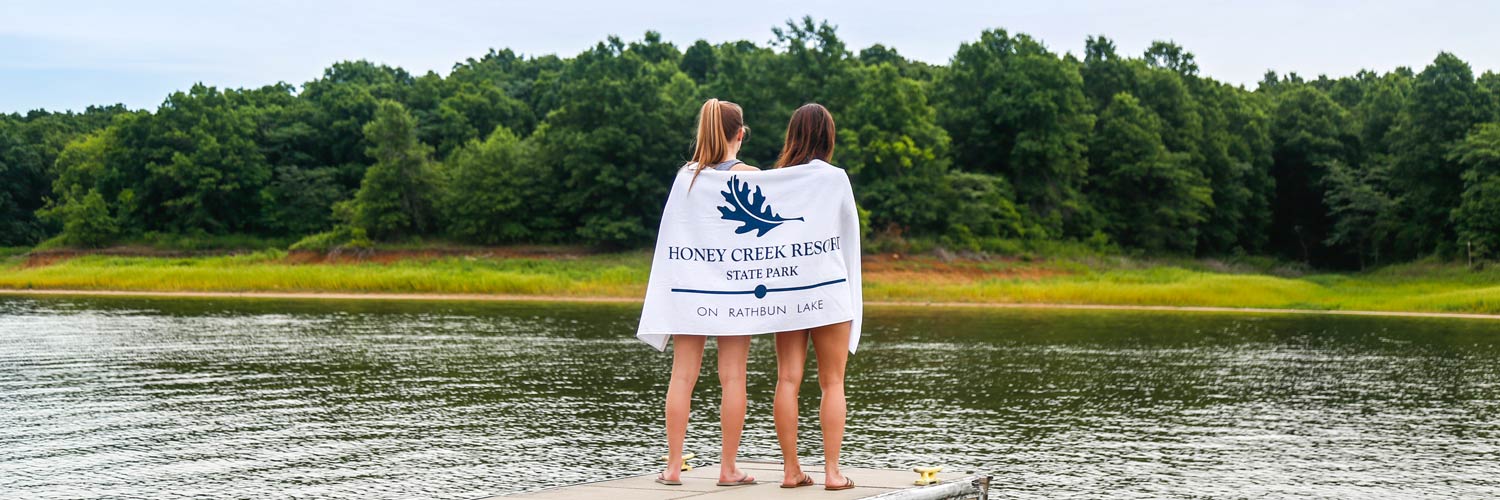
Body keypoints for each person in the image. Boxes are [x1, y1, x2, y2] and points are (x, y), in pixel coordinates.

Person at [656, 98, 759, 487]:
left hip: (690, 289)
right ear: (740, 134)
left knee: (682, 376)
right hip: (733, 292)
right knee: (733, 377)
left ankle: (672, 467)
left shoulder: (686, 176)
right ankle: (728, 468)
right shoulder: (751, 175)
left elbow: (673, 237)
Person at [769, 103, 857, 491]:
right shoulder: (836, 178)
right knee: (832, 382)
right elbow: (848, 237)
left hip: (787, 289)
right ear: (829, 136)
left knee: (788, 379)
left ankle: (791, 471)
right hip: (828, 288)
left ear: (793, 135)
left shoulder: (775, 180)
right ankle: (833, 473)